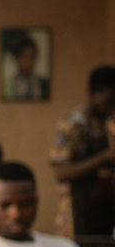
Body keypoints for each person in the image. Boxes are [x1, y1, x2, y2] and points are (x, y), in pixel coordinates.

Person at [49, 64, 115, 237]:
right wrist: (104, 158)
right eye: (109, 101)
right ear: (94, 93)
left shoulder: (108, 124)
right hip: (77, 214)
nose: (112, 107)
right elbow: (61, 173)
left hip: (103, 211)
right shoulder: (73, 125)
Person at [4, 33, 49, 101]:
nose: (29, 61)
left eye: (32, 56)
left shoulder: (44, 84)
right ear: (17, 58)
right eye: (25, 56)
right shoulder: (7, 85)